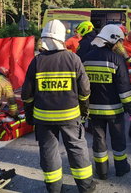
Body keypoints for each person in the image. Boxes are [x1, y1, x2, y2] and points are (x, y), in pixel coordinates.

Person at [22, 19, 96, 193]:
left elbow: (27, 94)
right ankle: (86, 188)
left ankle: (54, 188)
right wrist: (84, 110)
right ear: (62, 38)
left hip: (43, 118)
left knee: (49, 152)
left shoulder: (37, 61)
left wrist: (29, 116)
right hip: (70, 117)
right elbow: (85, 90)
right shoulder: (73, 59)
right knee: (77, 149)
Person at [82, 24, 131, 180]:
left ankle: (102, 171)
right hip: (115, 111)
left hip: (93, 110)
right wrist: (130, 108)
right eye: (119, 41)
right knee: (118, 139)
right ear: (113, 40)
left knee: (99, 141)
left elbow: (82, 85)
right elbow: (124, 88)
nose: (120, 45)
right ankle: (121, 168)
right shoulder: (117, 59)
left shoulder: (86, 58)